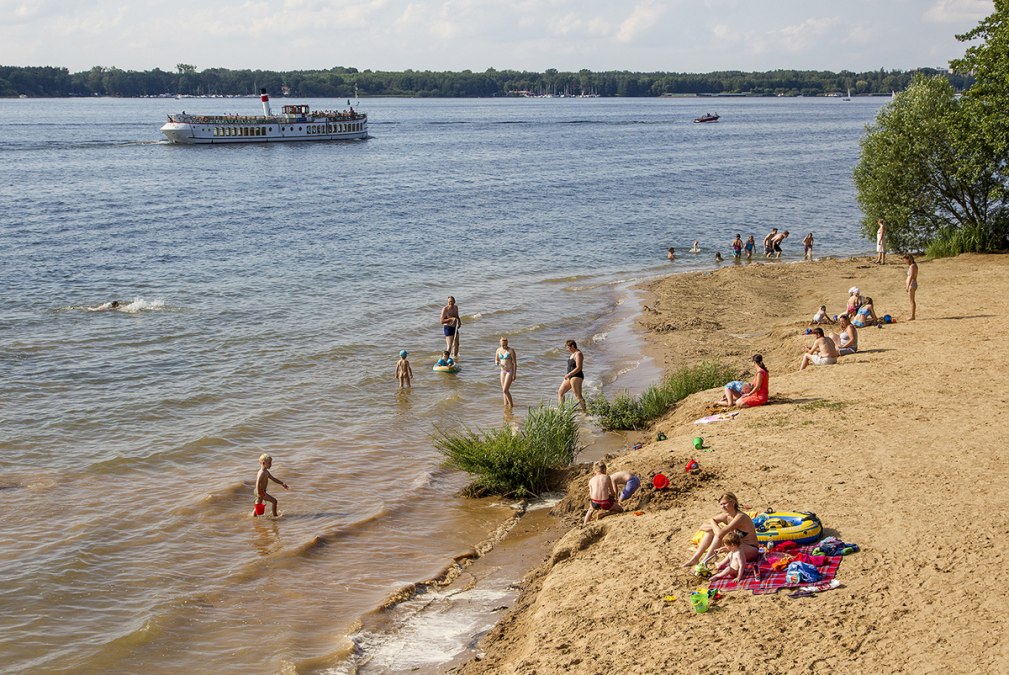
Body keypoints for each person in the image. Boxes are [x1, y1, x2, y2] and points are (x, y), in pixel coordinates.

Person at [683, 492, 759, 568]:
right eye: (721, 504)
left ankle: (704, 561)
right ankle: (695, 558)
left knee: (718, 535)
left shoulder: (740, 517)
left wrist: (715, 526)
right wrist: (713, 524)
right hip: (736, 545)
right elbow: (702, 527)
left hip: (750, 549)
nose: (723, 507)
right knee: (711, 532)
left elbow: (719, 534)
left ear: (733, 502)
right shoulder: (726, 516)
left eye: (725, 504)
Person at [583, 461, 622, 525]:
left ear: (595, 470)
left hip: (595, 503)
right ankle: (604, 514)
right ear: (604, 469)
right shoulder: (607, 477)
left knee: (590, 511)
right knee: (620, 509)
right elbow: (612, 492)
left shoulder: (591, 480)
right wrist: (612, 498)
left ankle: (584, 524)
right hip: (605, 503)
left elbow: (591, 495)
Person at [558, 339, 586, 412]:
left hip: (576, 376)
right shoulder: (572, 354)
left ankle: (585, 412)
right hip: (569, 376)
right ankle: (561, 411)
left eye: (568, 347)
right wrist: (568, 375)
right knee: (561, 392)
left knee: (578, 395)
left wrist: (570, 374)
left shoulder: (578, 354)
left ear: (572, 346)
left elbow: (579, 367)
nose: (567, 349)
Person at [495, 336, 517, 407]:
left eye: (506, 344)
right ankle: (506, 407)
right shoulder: (498, 350)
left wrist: (514, 374)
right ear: (500, 343)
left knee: (505, 390)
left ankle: (511, 405)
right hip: (502, 371)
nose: (504, 346)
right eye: (503, 345)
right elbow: (496, 360)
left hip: (509, 371)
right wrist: (497, 363)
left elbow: (514, 363)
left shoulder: (511, 350)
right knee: (503, 391)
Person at [905, 254, 918, 320]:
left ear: (908, 259)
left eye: (905, 260)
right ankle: (912, 315)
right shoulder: (913, 265)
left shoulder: (912, 266)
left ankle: (912, 316)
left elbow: (912, 276)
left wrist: (907, 286)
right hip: (912, 284)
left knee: (911, 301)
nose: (905, 261)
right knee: (911, 300)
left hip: (911, 285)